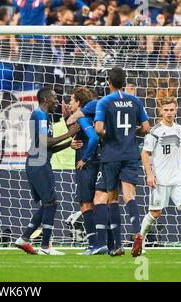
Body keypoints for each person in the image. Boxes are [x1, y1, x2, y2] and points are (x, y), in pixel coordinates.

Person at [14, 87, 80, 255]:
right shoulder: (40, 115)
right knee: (51, 203)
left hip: (39, 163)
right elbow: (44, 142)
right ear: (46, 100)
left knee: (48, 203)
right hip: (39, 164)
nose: (57, 101)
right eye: (55, 98)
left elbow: (48, 147)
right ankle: (45, 247)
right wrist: (68, 134)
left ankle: (24, 239)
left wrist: (68, 143)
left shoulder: (44, 117)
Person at [94, 67, 150, 257]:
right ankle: (137, 232)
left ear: (108, 81)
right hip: (131, 153)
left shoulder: (104, 102)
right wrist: (129, 133)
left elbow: (99, 129)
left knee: (112, 198)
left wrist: (111, 133)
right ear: (125, 82)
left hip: (111, 155)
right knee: (130, 197)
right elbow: (146, 128)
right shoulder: (135, 101)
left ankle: (117, 246)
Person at [140, 97, 181, 254]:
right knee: (156, 213)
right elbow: (145, 153)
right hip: (160, 179)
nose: (168, 113)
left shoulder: (179, 129)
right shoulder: (155, 131)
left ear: (176, 110)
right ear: (160, 111)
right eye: (166, 110)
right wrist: (149, 174)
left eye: (171, 110)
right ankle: (140, 240)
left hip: (178, 177)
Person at [67, 87, 101, 252]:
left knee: (85, 205)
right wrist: (71, 143)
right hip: (97, 161)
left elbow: (93, 137)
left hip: (87, 164)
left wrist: (84, 158)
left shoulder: (82, 118)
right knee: (98, 203)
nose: (69, 102)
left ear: (79, 102)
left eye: (72, 99)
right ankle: (103, 243)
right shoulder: (95, 115)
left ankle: (93, 244)